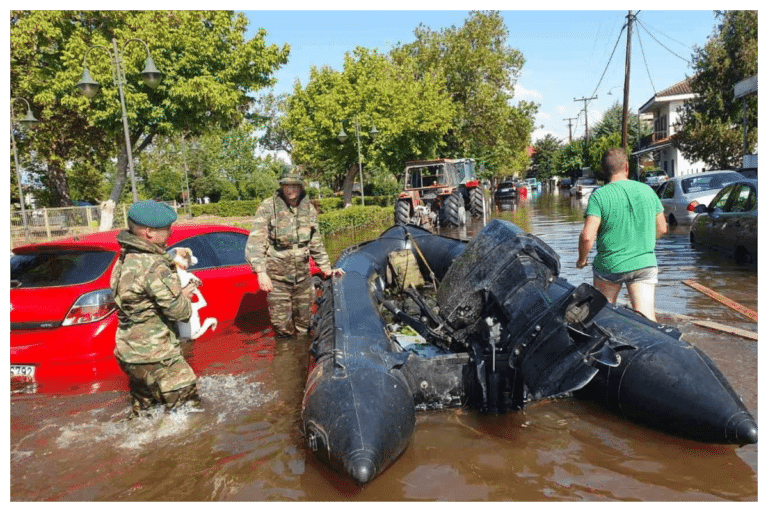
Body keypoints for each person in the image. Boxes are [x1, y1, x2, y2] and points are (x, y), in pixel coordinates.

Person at [111, 200, 201, 417]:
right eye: (166, 228)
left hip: (130, 354)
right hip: (159, 356)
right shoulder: (153, 265)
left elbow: (139, 299)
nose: (171, 232)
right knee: (190, 417)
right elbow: (180, 312)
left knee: (144, 416)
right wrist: (184, 295)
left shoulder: (124, 258)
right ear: (149, 232)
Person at [245, 172, 344, 338]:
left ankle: (303, 360)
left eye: (294, 185)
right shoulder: (268, 207)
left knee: (304, 326)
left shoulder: (308, 209)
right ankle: (285, 360)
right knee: (282, 328)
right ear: (282, 186)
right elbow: (256, 242)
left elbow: (315, 241)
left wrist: (326, 268)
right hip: (278, 279)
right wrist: (261, 273)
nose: (290, 189)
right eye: (286, 185)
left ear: (300, 186)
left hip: (303, 278)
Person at [576, 148, 667, 321]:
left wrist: (582, 259)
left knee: (604, 317)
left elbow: (587, 236)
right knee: (647, 319)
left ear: (603, 171)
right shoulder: (647, 191)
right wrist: (642, 242)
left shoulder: (599, 196)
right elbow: (662, 228)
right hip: (644, 264)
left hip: (611, 266)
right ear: (626, 166)